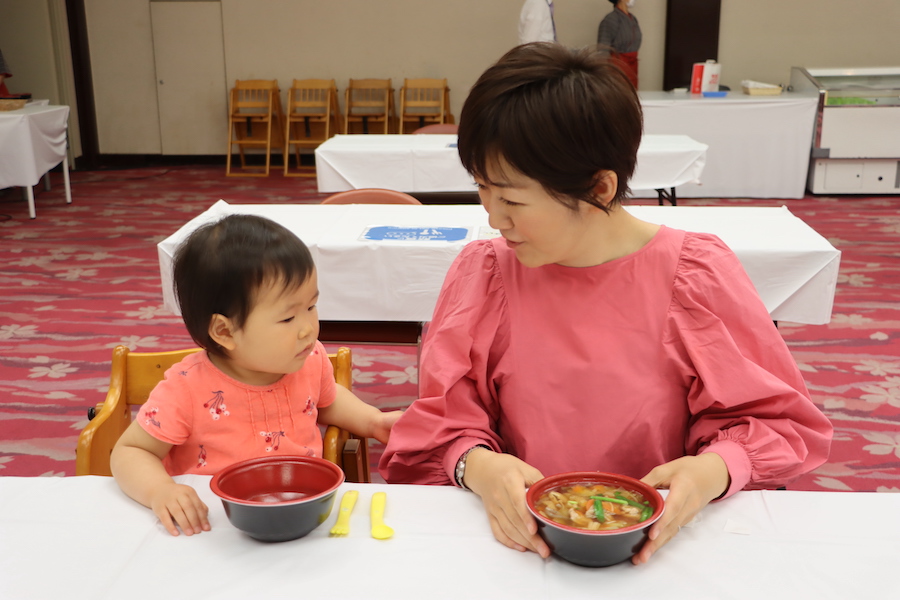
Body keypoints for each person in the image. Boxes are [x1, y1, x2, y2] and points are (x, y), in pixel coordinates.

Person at [379, 43, 832, 565]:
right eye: (482, 189)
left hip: (661, 547)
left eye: (513, 200)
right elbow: (444, 419)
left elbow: (777, 421)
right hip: (516, 544)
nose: (493, 218)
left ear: (599, 187)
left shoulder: (693, 275)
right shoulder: (486, 273)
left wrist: (713, 469)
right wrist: (477, 465)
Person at [111, 214, 402, 537]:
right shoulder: (186, 388)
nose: (308, 329)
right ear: (225, 331)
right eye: (288, 318)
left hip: (300, 514)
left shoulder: (308, 360)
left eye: (311, 307)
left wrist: (373, 421)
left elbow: (326, 400)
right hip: (216, 527)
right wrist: (160, 491)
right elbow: (131, 451)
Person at [597, 0, 641, 88]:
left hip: (632, 64)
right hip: (618, 65)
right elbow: (603, 48)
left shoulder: (633, 19)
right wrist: (603, 72)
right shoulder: (611, 19)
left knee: (632, 90)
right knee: (620, 90)